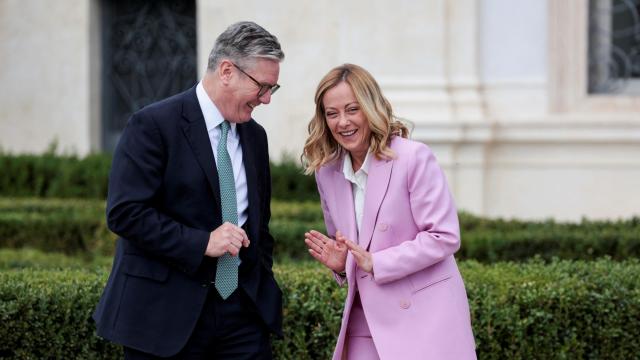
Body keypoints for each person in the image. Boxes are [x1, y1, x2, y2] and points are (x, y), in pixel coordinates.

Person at [93, 21, 284, 359]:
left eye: (273, 89)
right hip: (164, 319)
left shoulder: (255, 137)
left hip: (243, 317)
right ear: (227, 71)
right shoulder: (152, 125)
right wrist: (202, 242)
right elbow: (125, 213)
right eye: (263, 86)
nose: (267, 99)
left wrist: (259, 287)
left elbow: (260, 227)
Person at [302, 64, 476, 359]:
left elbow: (444, 236)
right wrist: (341, 264)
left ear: (370, 108)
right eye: (332, 113)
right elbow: (349, 248)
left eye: (352, 109)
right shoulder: (327, 172)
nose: (343, 122)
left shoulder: (412, 157)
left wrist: (377, 262)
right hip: (365, 319)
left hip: (426, 318)